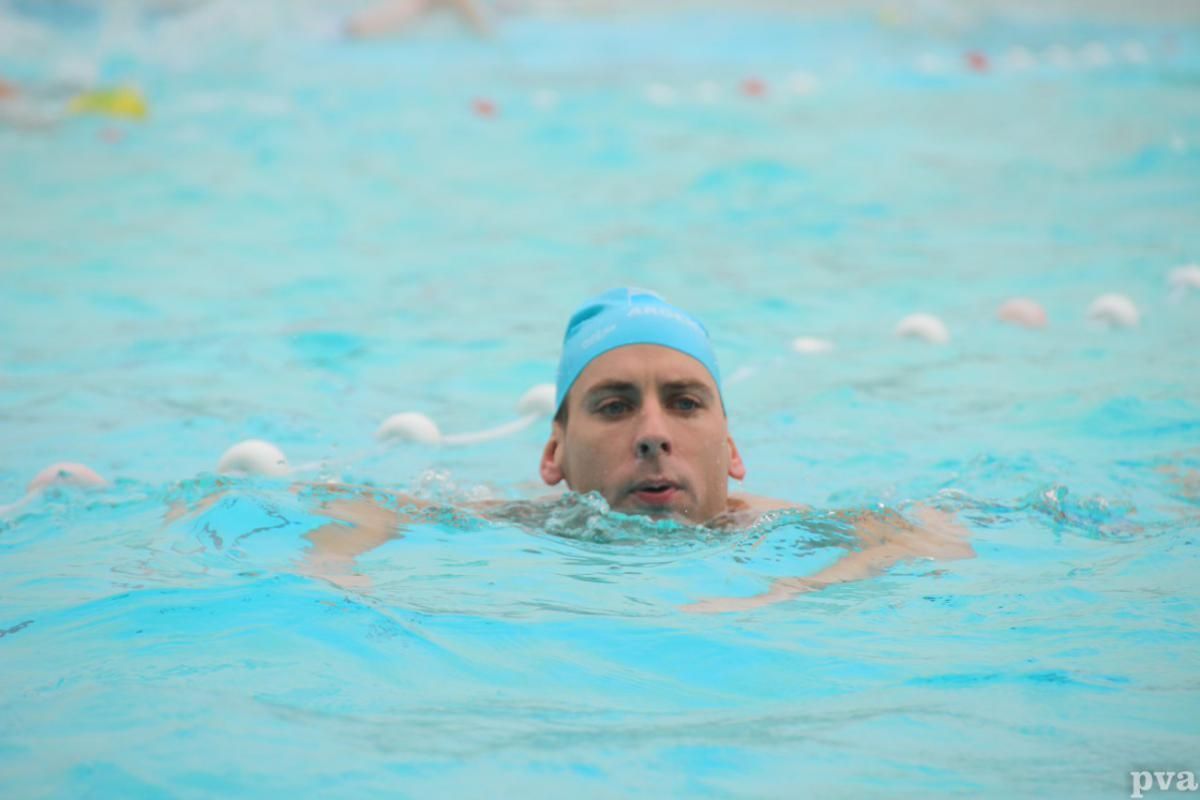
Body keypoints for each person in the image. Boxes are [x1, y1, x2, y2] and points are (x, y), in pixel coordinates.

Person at [288, 287, 975, 608]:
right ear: (553, 454)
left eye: (685, 403)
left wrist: (785, 590)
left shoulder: (772, 530)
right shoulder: (517, 526)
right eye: (614, 407)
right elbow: (355, 508)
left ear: (731, 450)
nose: (652, 434)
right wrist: (334, 566)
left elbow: (934, 536)